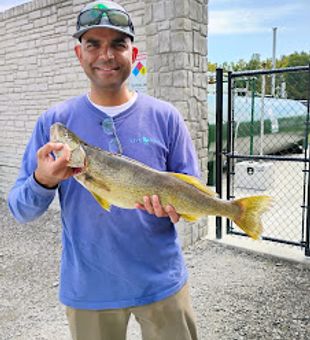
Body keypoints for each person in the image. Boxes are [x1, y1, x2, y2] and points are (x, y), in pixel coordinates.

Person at [8, 1, 200, 339]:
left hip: (162, 282)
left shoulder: (166, 116)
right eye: (93, 44)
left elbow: (190, 191)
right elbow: (20, 209)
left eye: (117, 44)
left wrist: (176, 209)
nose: (105, 55)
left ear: (133, 53)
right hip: (89, 289)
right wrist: (42, 180)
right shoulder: (54, 123)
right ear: (78, 54)